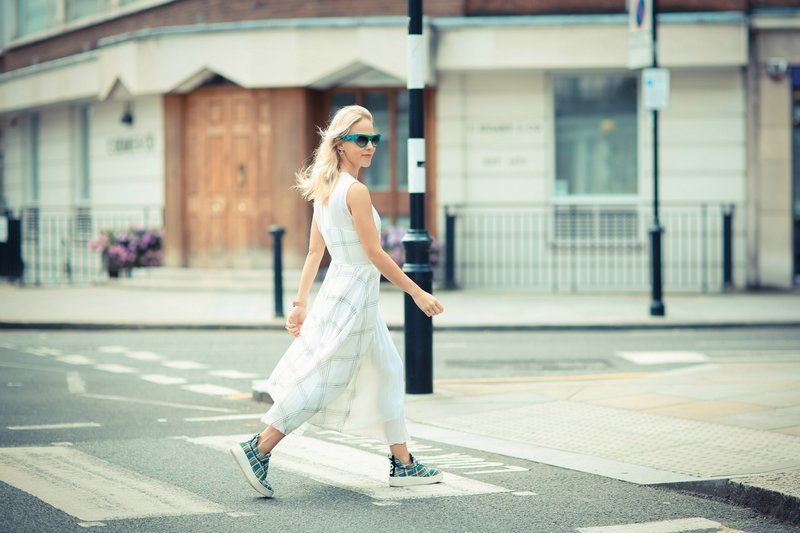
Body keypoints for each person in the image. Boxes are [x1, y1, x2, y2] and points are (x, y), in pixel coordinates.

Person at [230, 105, 444, 498]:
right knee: (327, 379)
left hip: (341, 289)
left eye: (374, 139)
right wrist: (417, 292)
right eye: (360, 139)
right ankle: (258, 448)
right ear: (340, 144)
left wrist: (300, 302)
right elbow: (374, 254)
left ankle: (404, 463)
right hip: (356, 292)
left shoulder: (327, 188)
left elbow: (315, 252)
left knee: (389, 369)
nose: (370, 146)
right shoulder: (354, 191)